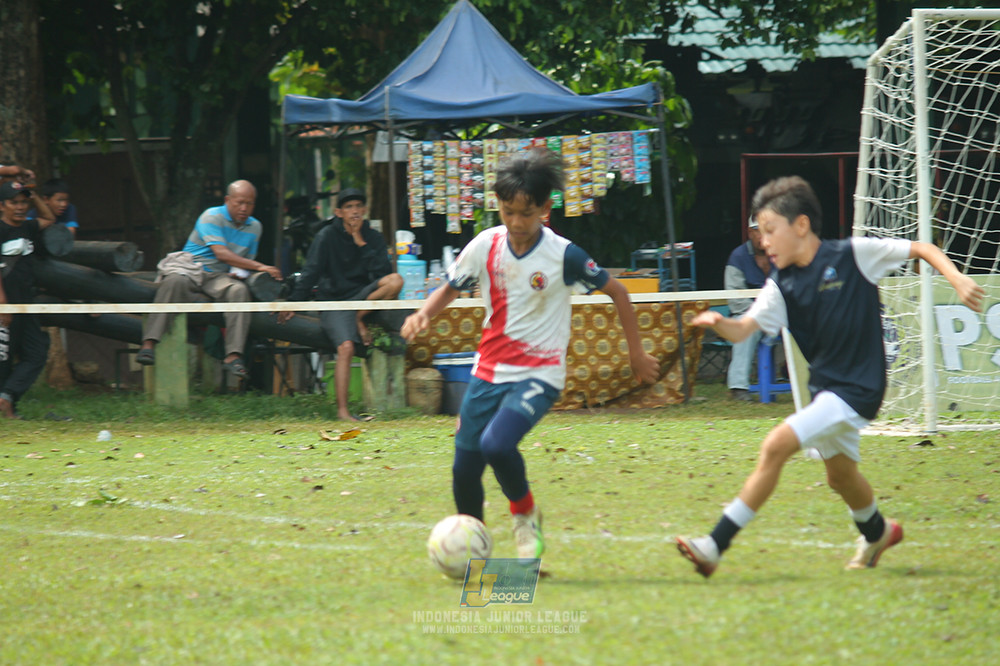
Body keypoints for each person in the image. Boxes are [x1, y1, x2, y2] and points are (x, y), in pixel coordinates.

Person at [677, 176, 984, 578]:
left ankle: (714, 545)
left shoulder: (853, 255)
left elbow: (921, 248)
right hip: (825, 391)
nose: (763, 241)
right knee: (840, 476)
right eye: (759, 233)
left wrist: (957, 278)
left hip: (859, 389)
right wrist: (720, 323)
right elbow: (744, 329)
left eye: (770, 231)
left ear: (800, 225)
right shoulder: (779, 286)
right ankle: (877, 531)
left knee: (775, 446)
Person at [400, 149, 661, 559]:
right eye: (508, 212)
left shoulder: (564, 255)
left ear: (544, 207)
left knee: (497, 446)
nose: (517, 224)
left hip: (540, 373)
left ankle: (526, 520)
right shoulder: (486, 244)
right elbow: (451, 287)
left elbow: (619, 292)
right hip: (487, 370)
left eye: (526, 213)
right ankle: (475, 546)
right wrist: (423, 313)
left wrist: (636, 354)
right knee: (463, 467)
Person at [283, 188, 406, 422]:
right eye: (349, 207)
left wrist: (360, 242)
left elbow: (382, 273)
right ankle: (342, 411)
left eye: (359, 206)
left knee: (396, 280)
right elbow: (310, 272)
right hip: (334, 302)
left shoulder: (372, 236)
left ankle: (360, 317)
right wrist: (292, 303)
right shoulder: (326, 236)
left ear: (365, 210)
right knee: (346, 348)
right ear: (339, 212)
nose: (355, 211)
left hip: (362, 298)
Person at [136, 180, 282, 378]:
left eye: (249, 203)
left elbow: (245, 261)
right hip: (192, 268)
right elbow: (221, 253)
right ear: (227, 200)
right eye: (239, 202)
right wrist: (261, 267)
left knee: (239, 291)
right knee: (174, 282)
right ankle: (149, 344)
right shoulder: (211, 216)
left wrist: (242, 272)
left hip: (220, 276)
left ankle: (233, 355)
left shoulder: (255, 227)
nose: (244, 208)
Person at [0, 179, 55, 419]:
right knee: (4, 358)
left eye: (24, 203)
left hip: (27, 303)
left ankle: (6, 398)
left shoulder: (29, 227)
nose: (20, 207)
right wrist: (2, 304)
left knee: (37, 353)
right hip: (5, 304)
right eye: (14, 203)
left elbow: (50, 218)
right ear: (2, 206)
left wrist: (34, 197)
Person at [724, 215, 771, 401]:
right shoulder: (738, 257)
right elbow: (735, 299)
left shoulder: (784, 253)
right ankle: (738, 387)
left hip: (783, 314)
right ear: (750, 232)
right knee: (744, 329)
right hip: (750, 315)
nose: (763, 235)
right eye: (758, 230)